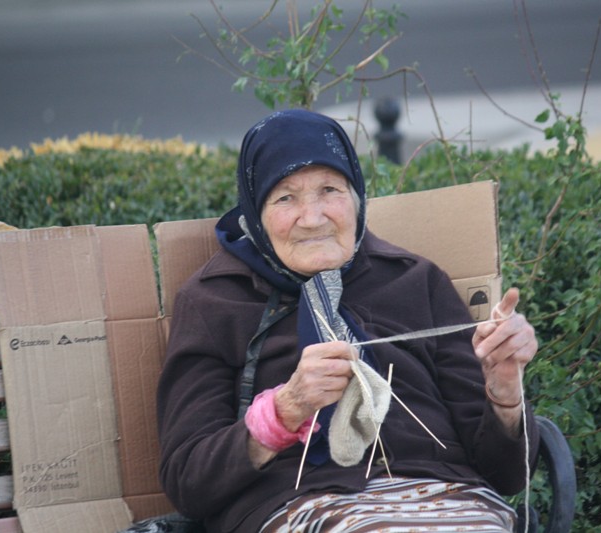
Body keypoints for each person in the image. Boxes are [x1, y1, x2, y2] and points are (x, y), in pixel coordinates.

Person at [157, 109, 539, 533]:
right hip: (299, 506)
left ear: (356, 195)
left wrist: (505, 392)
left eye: (329, 190)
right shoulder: (215, 300)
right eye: (285, 197)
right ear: (255, 210)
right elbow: (187, 480)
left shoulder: (415, 279)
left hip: (449, 501)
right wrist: (287, 409)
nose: (313, 216)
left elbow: (506, 475)